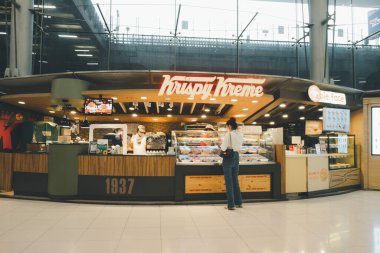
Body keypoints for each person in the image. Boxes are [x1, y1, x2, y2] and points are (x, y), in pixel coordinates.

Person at [221, 117, 243, 210]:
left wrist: (221, 146)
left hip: (228, 157)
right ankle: (239, 202)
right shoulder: (240, 134)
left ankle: (231, 205)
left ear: (229, 126)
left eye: (227, 127)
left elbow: (223, 147)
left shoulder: (228, 134)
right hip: (236, 156)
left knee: (229, 182)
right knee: (235, 180)